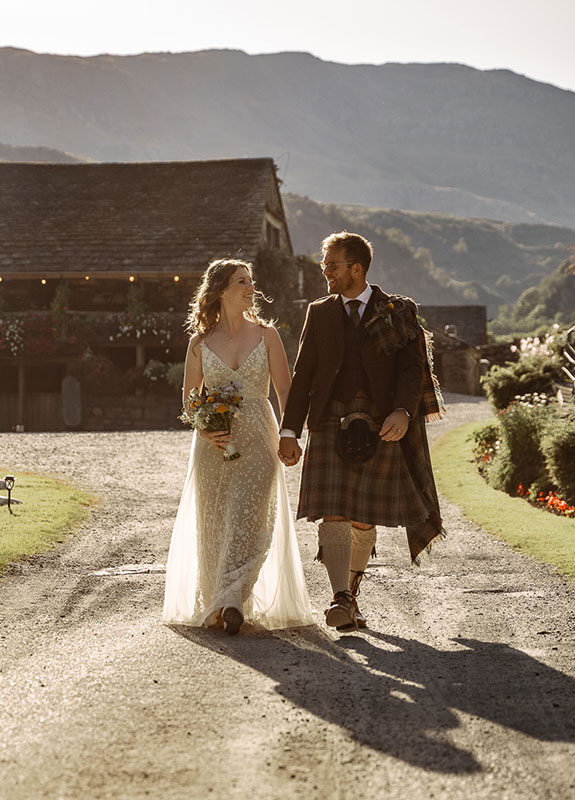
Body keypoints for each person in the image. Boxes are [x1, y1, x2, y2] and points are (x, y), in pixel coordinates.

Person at [278, 231, 444, 632]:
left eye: (331, 265)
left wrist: (404, 411)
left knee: (364, 517)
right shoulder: (319, 312)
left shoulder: (397, 310)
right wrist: (289, 429)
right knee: (333, 511)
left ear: (356, 268)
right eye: (325, 265)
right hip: (328, 419)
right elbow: (304, 374)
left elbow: (412, 368)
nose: (325, 271)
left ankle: (350, 594)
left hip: (379, 420)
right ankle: (339, 597)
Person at [162, 258, 313, 634]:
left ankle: (232, 599)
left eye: (251, 281)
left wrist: (289, 434)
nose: (251, 288)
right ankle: (219, 602)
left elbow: (285, 392)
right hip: (214, 445)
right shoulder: (200, 343)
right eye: (242, 281)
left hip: (259, 440)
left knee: (250, 518)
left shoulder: (267, 335)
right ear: (221, 290)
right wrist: (204, 429)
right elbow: (189, 399)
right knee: (214, 523)